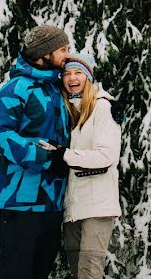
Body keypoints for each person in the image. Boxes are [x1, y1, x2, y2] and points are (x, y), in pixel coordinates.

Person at [0, 24, 72, 279]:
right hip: (19, 202)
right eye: (63, 49)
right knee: (15, 272)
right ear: (44, 54)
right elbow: (0, 137)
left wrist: (110, 112)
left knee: (40, 271)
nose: (68, 54)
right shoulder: (15, 89)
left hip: (52, 202)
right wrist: (47, 157)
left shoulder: (58, 89)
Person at [49, 53, 122, 279]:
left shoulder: (102, 107)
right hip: (74, 207)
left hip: (97, 206)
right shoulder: (71, 111)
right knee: (76, 269)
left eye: (78, 73)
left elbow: (106, 157)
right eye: (67, 73)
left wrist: (65, 155)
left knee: (89, 271)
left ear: (88, 77)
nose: (72, 78)